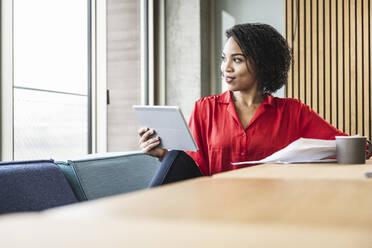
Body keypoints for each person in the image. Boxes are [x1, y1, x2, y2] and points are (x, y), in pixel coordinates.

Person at [138, 23, 353, 186]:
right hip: (216, 205)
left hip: (275, 204)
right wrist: (163, 155)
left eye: (237, 60)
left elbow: (354, 147)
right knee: (176, 155)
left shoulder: (293, 112)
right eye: (224, 58)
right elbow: (195, 168)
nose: (226, 68)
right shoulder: (205, 108)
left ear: (261, 65)